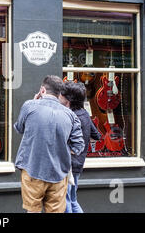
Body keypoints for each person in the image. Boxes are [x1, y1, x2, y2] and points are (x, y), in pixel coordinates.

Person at [14, 75, 85, 213]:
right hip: (58, 174)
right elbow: (78, 147)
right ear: (59, 93)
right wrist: (61, 148)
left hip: (32, 170)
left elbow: (19, 128)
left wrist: (33, 103)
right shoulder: (71, 115)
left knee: (32, 211)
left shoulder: (29, 106)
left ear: (42, 90)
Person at [59, 81, 102, 213]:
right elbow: (97, 136)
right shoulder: (84, 114)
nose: (59, 95)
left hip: (68, 166)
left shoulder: (70, 116)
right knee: (72, 200)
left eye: (62, 94)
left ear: (68, 99)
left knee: (66, 202)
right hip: (78, 164)